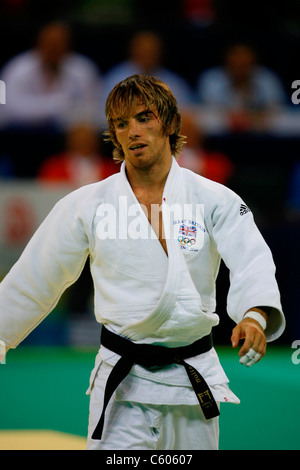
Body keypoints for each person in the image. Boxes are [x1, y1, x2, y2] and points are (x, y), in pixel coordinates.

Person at [0, 74, 285, 450]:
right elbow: (35, 279)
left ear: (168, 122)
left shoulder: (216, 199)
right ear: (114, 135)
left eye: (143, 118)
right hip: (122, 385)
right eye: (121, 123)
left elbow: (253, 260)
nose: (132, 131)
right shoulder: (86, 205)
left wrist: (254, 316)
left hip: (191, 380)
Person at [0, 22, 101, 130]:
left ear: (68, 44)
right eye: (50, 43)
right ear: (38, 43)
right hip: (20, 133)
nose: (53, 48)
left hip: (67, 133)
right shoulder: (17, 68)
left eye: (59, 43)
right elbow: (9, 108)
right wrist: (58, 104)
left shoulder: (83, 69)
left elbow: (94, 109)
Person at [196, 43, 287, 132]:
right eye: (236, 62)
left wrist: (253, 117)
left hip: (262, 132)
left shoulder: (267, 78)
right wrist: (233, 117)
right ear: (227, 61)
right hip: (220, 132)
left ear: (253, 62)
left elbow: (276, 107)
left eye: (244, 64)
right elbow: (209, 110)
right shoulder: (212, 78)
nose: (240, 65)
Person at [37, 123, 118, 188]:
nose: (83, 144)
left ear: (96, 142)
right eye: (79, 140)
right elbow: (46, 192)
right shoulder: (53, 167)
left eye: (87, 140)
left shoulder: (110, 168)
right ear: (69, 142)